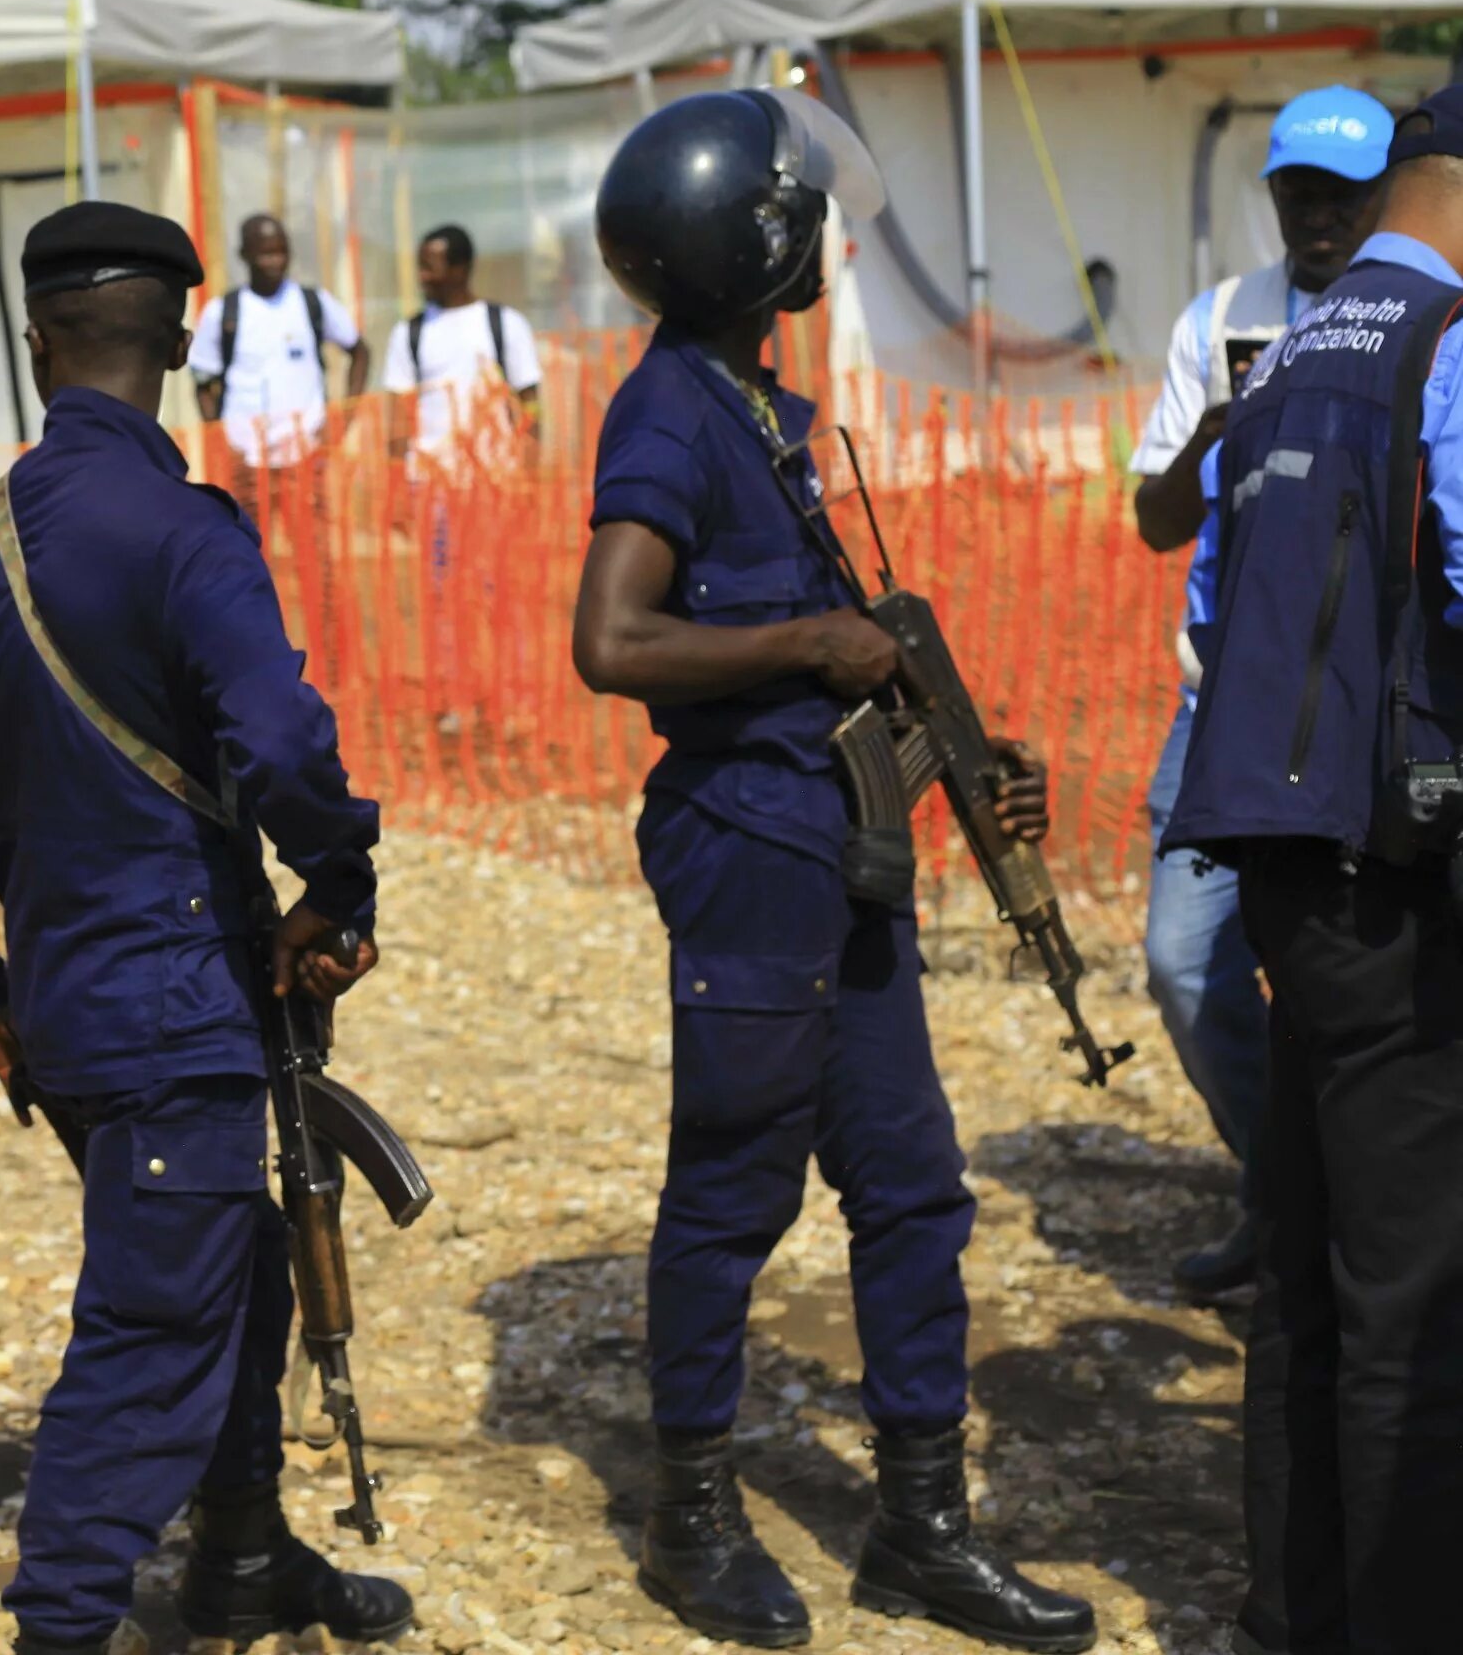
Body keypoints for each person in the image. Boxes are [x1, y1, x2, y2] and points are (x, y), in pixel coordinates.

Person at [572, 89, 1092, 1654]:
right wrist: (809, 639)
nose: (827, 235)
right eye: (805, 213)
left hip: (840, 858)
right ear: (757, 240)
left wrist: (968, 754)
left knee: (914, 1193)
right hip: (747, 854)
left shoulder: (759, 409)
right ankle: (690, 1519)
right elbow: (612, 640)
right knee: (731, 1192)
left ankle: (921, 1530)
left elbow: (858, 662)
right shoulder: (670, 409)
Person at [0, 200, 408, 1655]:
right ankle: (64, 1624)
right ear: (178, 335)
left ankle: (241, 1556)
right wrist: (341, 886)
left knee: (231, 1285)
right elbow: (284, 748)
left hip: (76, 1018)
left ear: (38, 341)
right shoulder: (185, 531)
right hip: (183, 1011)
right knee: (147, 1344)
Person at [1164, 87, 1463, 1655]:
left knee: (1308, 1268)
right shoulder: (1445, 343)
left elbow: (1226, 593)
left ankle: (1296, 1616)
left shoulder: (1293, 347)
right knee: (1413, 1298)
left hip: (1285, 853)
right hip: (1396, 873)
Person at [1126, 86, 1392, 1307]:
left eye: (1344, 190)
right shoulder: (1222, 315)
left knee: (1365, 970)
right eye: (1300, 189)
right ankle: (1284, 1189)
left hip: (1369, 704)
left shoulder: (1420, 316)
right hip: (1226, 699)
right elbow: (1152, 520)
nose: (1319, 212)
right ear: (1273, 190)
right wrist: (1217, 435)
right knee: (1187, 962)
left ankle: (1359, 1218)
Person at [189, 211, 368, 473]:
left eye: (281, 252)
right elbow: (203, 383)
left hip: (308, 456)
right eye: (266, 253)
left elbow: (360, 352)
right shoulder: (221, 312)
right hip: (245, 461)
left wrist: (343, 419)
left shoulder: (313, 303)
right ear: (244, 255)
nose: (276, 261)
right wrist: (222, 442)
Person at [382, 222, 543, 460]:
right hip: (429, 484)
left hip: (497, 479)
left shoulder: (505, 323)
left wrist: (531, 477)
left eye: (429, 267)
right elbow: (398, 417)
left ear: (460, 269)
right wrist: (397, 481)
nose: (422, 277)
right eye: (420, 267)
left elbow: (530, 404)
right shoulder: (407, 333)